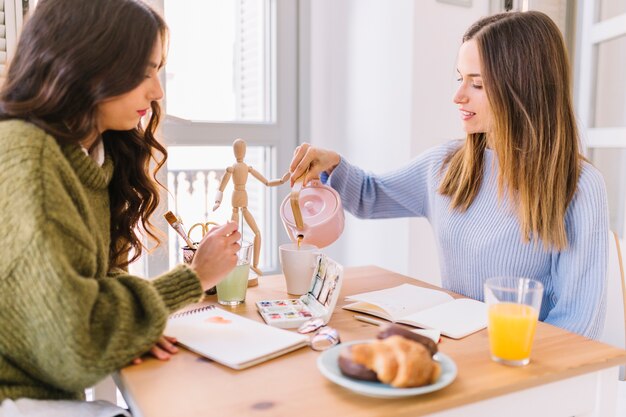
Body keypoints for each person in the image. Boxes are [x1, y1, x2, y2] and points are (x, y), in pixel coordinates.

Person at [289, 11, 609, 339]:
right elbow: (371, 195)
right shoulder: (447, 165)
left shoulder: (580, 187)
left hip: (525, 368)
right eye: (460, 78)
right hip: (454, 354)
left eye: (478, 84)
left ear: (524, 88)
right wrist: (331, 164)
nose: (458, 96)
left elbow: (577, 325)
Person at [0, 0, 240, 414]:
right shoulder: (31, 161)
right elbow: (77, 348)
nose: (157, 90)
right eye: (144, 71)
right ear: (87, 60)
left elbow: (86, 288)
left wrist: (137, 325)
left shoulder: (85, 156)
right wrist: (194, 277)